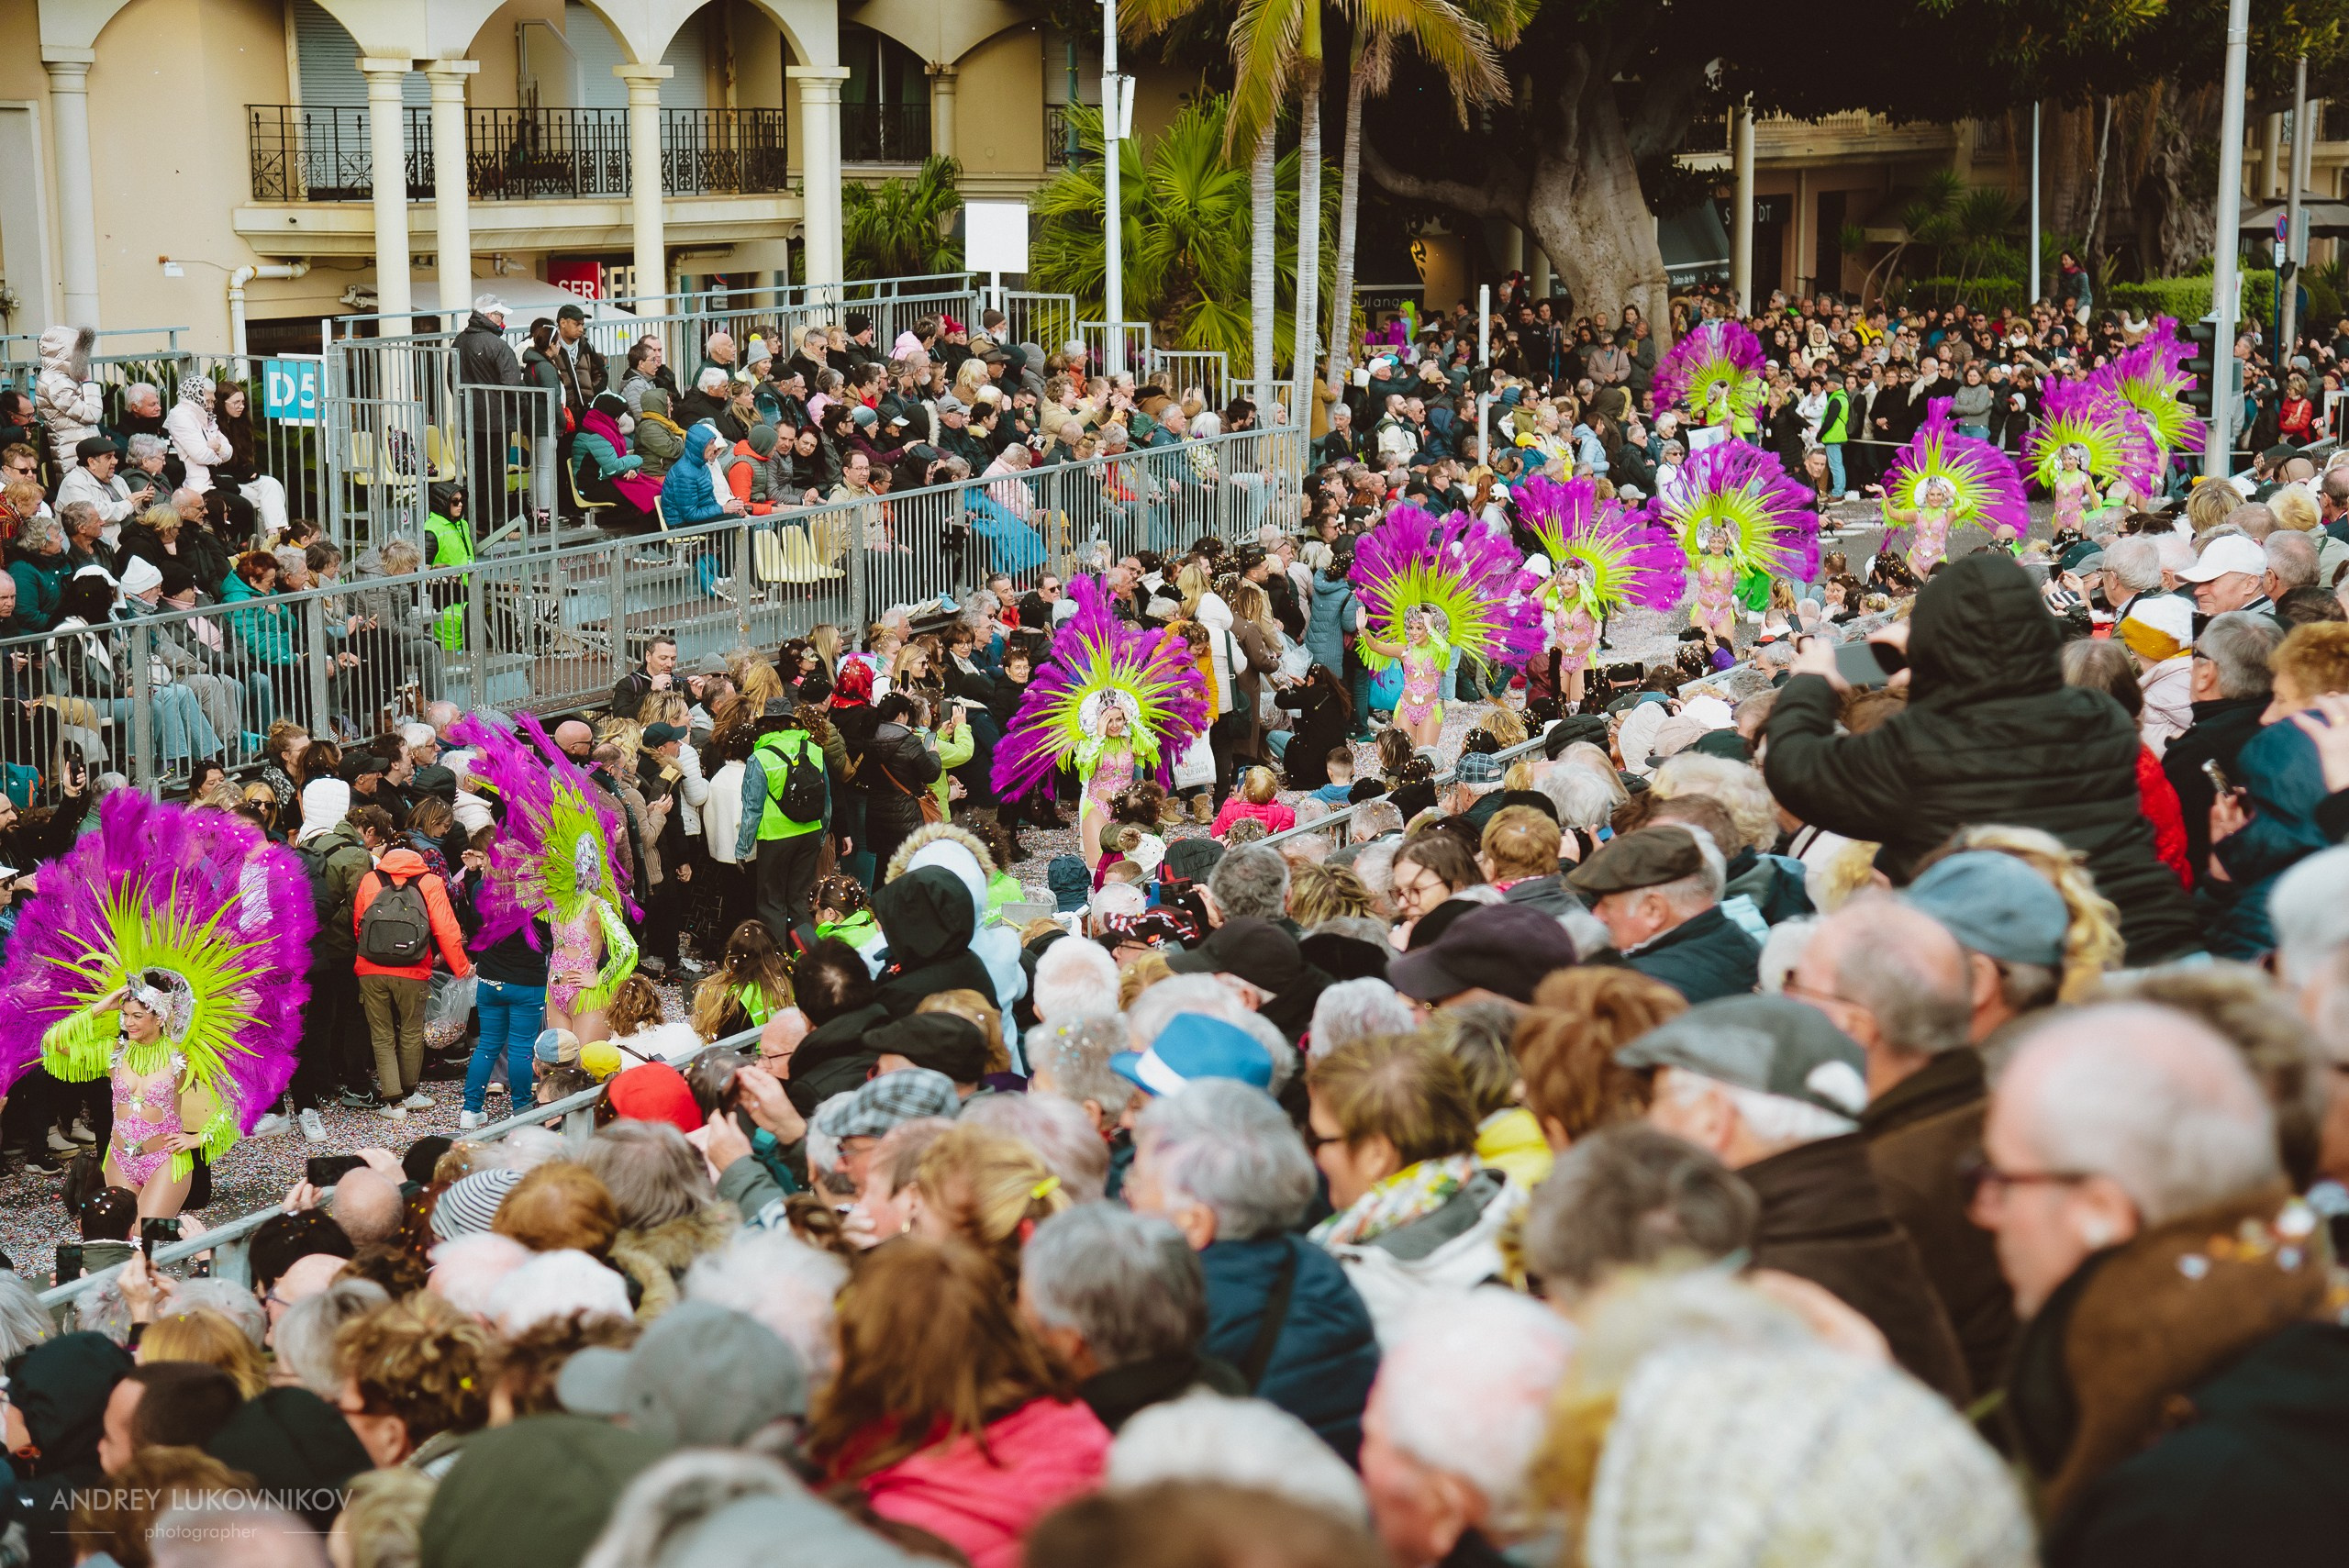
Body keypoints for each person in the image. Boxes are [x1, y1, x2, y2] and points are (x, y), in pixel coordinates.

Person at [1977, 1003, 2349, 1566]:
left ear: (2100, 1210)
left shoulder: (2185, 1512)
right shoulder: (2302, 1342)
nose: (1986, 1211)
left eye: (2002, 1180)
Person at [1770, 552, 2203, 965]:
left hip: (2046, 972)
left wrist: (1811, 682)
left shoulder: (1919, 745)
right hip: (2157, 940)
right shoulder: (2101, 717)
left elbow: (1793, 765)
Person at [1620, 994, 1971, 1404]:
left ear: (1712, 1117)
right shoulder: (1863, 1214)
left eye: (1658, 1099)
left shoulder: (1762, 1287)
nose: (1648, 1124)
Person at [808, 1238, 1109, 1568]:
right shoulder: (1082, 1425)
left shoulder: (888, 1526)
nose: (836, 1364)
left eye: (846, 1350)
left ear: (878, 1366)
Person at [1125, 1079, 1379, 1462]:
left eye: (1138, 1180)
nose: (1126, 1192)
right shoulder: (1317, 1263)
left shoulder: (1178, 1321)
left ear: (1195, 1223)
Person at [1018, 1204, 1248, 1433]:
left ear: (1068, 1341)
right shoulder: (1226, 1387)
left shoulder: (1085, 1444)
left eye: (1022, 1306)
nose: (1015, 1318)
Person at [351, 812, 473, 1121]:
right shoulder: (429, 881)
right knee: (411, 1031)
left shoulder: (370, 879)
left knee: (380, 1034)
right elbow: (446, 929)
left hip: (371, 969)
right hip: (414, 970)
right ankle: (410, 1092)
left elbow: (358, 926)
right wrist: (461, 968)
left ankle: (393, 1104)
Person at [1565, 825, 1759, 1001]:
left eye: (1607, 905)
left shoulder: (1643, 991)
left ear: (1654, 909)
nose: (1597, 915)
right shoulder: (1742, 943)